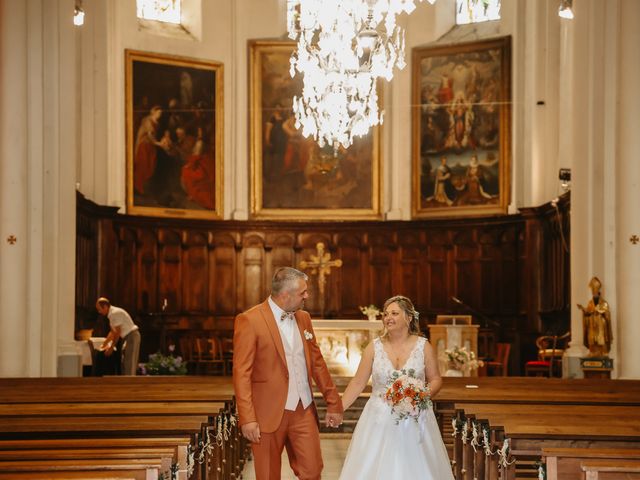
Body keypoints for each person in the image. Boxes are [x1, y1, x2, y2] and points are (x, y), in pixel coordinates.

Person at [233, 267, 343, 480]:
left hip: (303, 410)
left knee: (312, 471)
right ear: (286, 294)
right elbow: (241, 373)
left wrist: (333, 401)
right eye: (303, 292)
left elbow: (317, 363)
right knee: (268, 475)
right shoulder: (250, 320)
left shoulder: (304, 318)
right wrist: (247, 418)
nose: (307, 296)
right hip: (266, 412)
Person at [339, 295, 454, 479]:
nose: (388, 318)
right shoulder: (373, 347)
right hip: (377, 420)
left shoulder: (423, 347)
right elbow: (358, 382)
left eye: (394, 313)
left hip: (415, 418)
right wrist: (338, 409)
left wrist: (420, 396)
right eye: (385, 314)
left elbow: (435, 379)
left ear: (409, 318)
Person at [96, 298, 141, 376]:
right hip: (127, 337)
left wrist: (111, 348)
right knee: (124, 363)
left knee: (129, 364)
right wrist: (104, 345)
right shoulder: (111, 315)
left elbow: (117, 333)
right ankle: (125, 384)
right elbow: (112, 332)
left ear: (105, 306)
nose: (99, 312)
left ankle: (129, 386)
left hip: (131, 336)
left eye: (99, 309)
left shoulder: (115, 313)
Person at [577, 276, 613, 357]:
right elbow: (588, 312)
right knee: (592, 339)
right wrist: (583, 310)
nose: (593, 292)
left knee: (601, 339)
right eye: (592, 290)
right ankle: (593, 352)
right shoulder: (590, 302)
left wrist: (602, 312)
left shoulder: (604, 302)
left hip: (600, 324)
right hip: (592, 325)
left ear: (598, 290)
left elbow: (606, 313)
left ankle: (603, 352)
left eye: (595, 290)